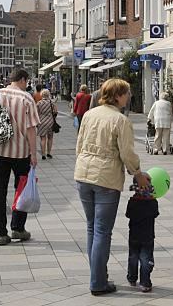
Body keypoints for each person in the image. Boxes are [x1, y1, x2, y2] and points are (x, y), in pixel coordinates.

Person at [74, 78, 150, 296]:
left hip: (83, 175)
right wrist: (137, 173)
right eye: (126, 93)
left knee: (92, 228)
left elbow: (79, 145)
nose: (129, 97)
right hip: (106, 178)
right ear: (117, 95)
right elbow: (126, 153)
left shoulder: (89, 114)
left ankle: (98, 275)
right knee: (102, 231)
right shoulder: (120, 120)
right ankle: (98, 282)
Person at [0, 69, 39, 246]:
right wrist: (34, 154)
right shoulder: (27, 98)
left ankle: (1, 234)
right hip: (22, 153)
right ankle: (18, 228)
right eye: (26, 81)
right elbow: (31, 129)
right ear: (22, 80)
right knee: (21, 189)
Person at [126, 176, 159, 293]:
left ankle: (132, 278)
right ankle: (145, 282)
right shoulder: (153, 202)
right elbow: (155, 214)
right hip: (148, 236)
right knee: (146, 259)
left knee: (133, 257)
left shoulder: (132, 201)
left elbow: (128, 214)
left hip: (134, 235)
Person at [36, 89, 58, 160]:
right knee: (50, 138)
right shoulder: (52, 103)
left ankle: (43, 154)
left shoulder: (39, 103)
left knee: (43, 138)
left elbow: (36, 113)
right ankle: (48, 153)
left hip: (41, 122)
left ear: (42, 95)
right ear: (48, 95)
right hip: (50, 122)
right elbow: (55, 111)